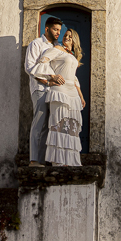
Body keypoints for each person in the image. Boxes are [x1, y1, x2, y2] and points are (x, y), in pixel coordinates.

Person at [30, 29, 86, 167]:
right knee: (59, 125)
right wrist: (52, 76)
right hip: (59, 91)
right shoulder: (57, 49)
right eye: (65, 35)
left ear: (75, 40)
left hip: (72, 92)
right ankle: (59, 161)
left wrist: (81, 95)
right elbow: (42, 63)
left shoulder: (71, 55)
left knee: (72, 126)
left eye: (70, 36)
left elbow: (73, 77)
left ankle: (71, 160)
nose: (66, 37)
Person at [24, 17, 64, 166]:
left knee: (50, 125)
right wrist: (48, 81)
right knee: (38, 123)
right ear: (46, 29)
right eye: (55, 29)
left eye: (59, 30)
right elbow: (30, 69)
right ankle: (34, 160)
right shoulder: (36, 44)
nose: (58, 33)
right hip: (40, 89)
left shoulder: (57, 46)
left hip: (54, 90)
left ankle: (44, 160)